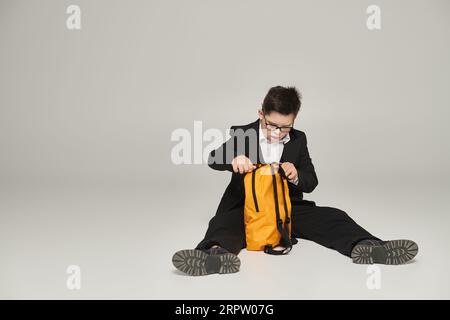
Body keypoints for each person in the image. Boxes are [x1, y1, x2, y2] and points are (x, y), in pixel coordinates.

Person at [172, 86, 418, 276]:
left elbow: (311, 181)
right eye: (271, 125)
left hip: (286, 208)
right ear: (261, 114)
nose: (277, 133)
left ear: (295, 119)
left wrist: (296, 174)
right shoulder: (243, 134)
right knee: (223, 223)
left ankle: (370, 246)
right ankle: (214, 256)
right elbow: (213, 159)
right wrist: (234, 159)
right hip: (248, 207)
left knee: (334, 216)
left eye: (285, 127)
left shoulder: (299, 140)